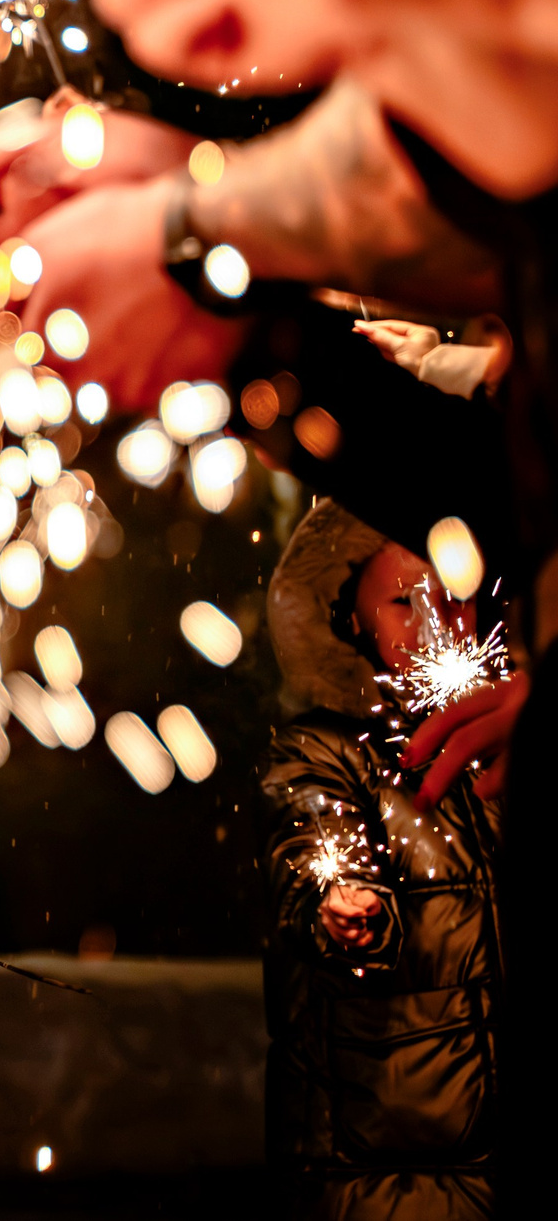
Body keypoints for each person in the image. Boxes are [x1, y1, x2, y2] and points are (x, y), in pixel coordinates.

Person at [261, 502, 500, 1219]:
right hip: (382, 1170)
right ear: (349, 617)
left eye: (455, 598)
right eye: (403, 602)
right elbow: (311, 833)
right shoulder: (325, 750)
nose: (436, 621)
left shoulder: (503, 744)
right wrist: (340, 897)